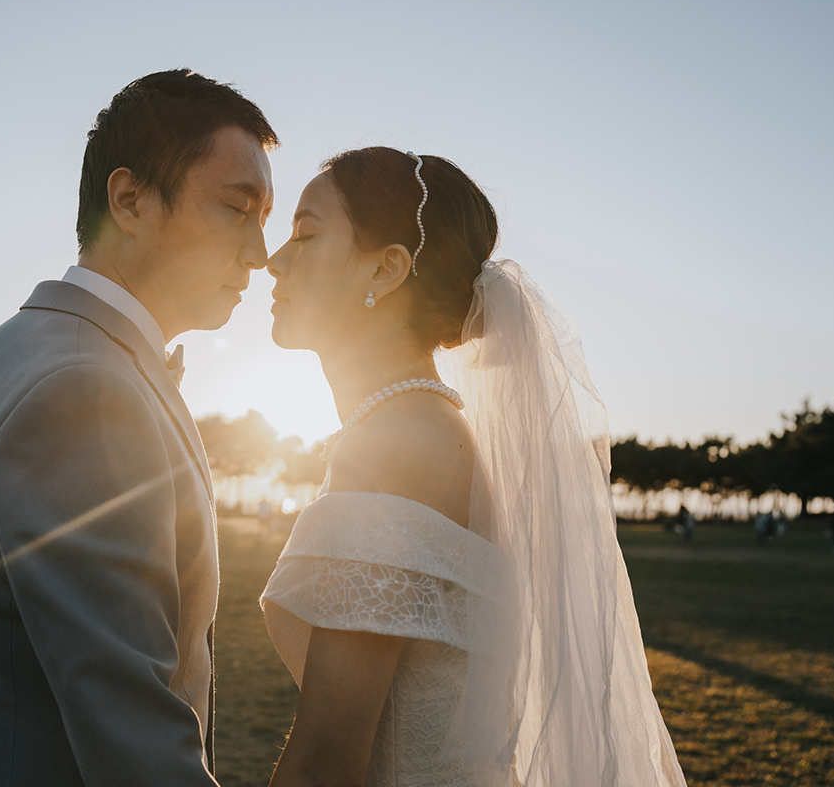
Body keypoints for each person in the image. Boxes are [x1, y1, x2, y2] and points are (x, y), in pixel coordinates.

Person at [260, 147, 686, 786]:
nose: (274, 259)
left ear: (387, 269)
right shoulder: (419, 431)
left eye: (305, 234)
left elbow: (327, 756)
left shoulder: (399, 449)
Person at [0, 69, 277, 786]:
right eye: (238, 209)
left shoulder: (54, 351)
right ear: (130, 199)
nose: (260, 255)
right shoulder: (80, 386)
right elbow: (133, 735)